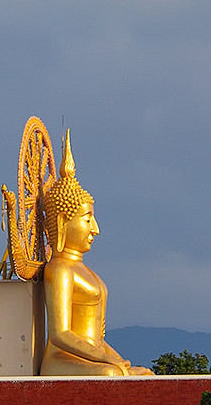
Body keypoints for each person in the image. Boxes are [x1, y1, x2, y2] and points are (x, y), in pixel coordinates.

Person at [37, 135, 151, 376]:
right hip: (62, 359)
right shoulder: (59, 270)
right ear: (62, 221)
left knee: (143, 374)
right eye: (87, 219)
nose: (95, 228)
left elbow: (97, 338)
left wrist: (117, 359)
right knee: (110, 375)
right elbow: (60, 334)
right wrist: (106, 360)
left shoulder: (86, 271)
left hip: (94, 356)